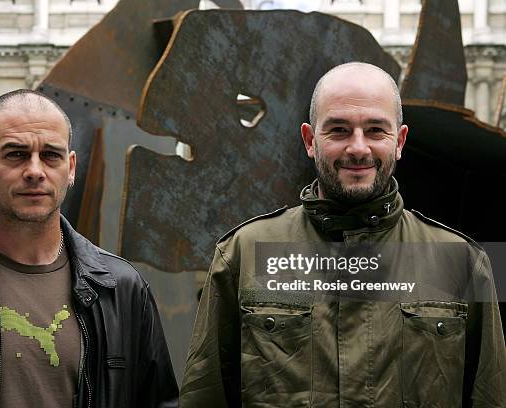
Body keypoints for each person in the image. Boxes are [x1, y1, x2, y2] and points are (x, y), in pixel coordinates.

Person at [178, 62, 505, 407]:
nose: (358, 148)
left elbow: (489, 396)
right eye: (339, 130)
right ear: (309, 140)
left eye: (376, 130)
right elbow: (205, 394)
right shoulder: (246, 254)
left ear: (400, 141)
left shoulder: (460, 262)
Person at [0, 89, 178, 407]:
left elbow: (157, 401)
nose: (34, 170)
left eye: (50, 155)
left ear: (70, 168)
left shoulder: (121, 287)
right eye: (16, 154)